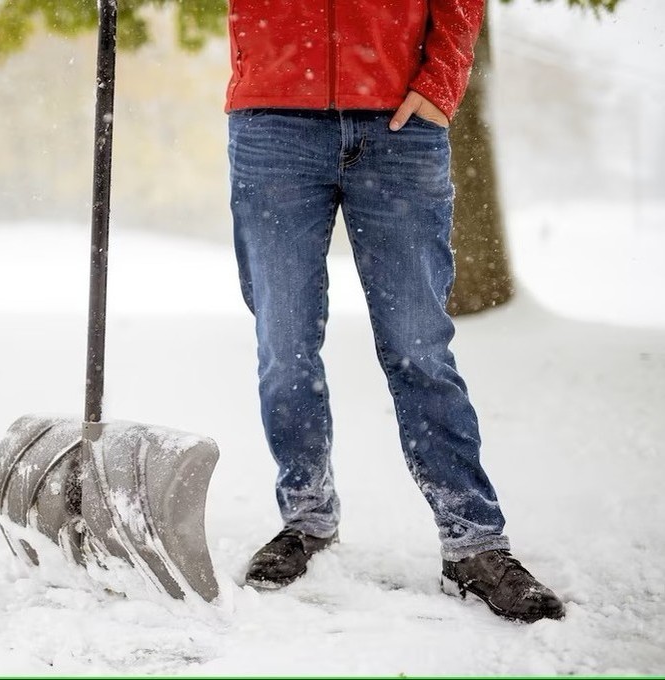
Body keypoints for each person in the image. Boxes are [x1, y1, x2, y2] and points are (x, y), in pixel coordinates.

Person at [226, 0, 565, 623]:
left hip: (398, 125)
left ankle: (473, 543)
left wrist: (439, 84)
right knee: (284, 344)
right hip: (274, 126)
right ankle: (306, 520)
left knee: (419, 349)